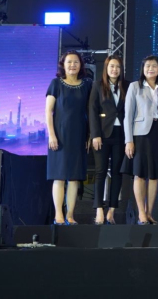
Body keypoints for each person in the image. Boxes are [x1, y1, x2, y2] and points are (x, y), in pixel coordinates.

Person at [45, 51, 92, 225]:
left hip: (79, 135)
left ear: (81, 65)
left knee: (74, 177)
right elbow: (48, 111)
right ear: (63, 65)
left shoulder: (87, 85)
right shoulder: (56, 83)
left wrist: (89, 135)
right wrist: (51, 135)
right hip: (59, 136)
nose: (73, 65)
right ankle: (58, 215)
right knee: (59, 176)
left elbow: (91, 111)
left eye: (76, 62)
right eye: (69, 62)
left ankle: (70, 215)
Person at [122, 55, 158, 225]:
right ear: (143, 68)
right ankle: (141, 213)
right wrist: (129, 140)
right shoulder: (135, 86)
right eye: (147, 66)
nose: (150, 69)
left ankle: (149, 213)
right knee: (139, 174)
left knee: (154, 176)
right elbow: (128, 115)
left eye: (154, 66)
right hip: (139, 134)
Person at [88, 55, 129, 225]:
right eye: (112, 66)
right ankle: (99, 209)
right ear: (106, 68)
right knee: (101, 171)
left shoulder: (127, 86)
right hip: (103, 134)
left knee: (118, 173)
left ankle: (112, 210)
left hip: (121, 134)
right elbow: (92, 110)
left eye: (118, 67)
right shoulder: (97, 85)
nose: (115, 69)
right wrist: (95, 134)